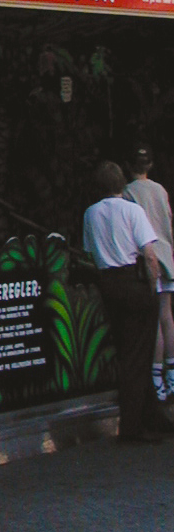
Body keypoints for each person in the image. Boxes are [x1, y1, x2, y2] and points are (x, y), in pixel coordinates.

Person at [83, 160, 173, 443]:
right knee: (139, 353)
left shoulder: (91, 213)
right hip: (133, 280)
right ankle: (133, 425)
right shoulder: (132, 210)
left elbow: (90, 251)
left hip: (109, 283)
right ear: (121, 183)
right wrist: (151, 285)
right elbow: (149, 254)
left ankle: (151, 415)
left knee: (128, 348)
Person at [124, 145, 174, 399]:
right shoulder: (161, 190)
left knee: (154, 321)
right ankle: (173, 374)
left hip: (147, 261)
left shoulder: (127, 193)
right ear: (150, 165)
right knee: (167, 316)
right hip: (167, 256)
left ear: (127, 165)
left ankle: (156, 379)